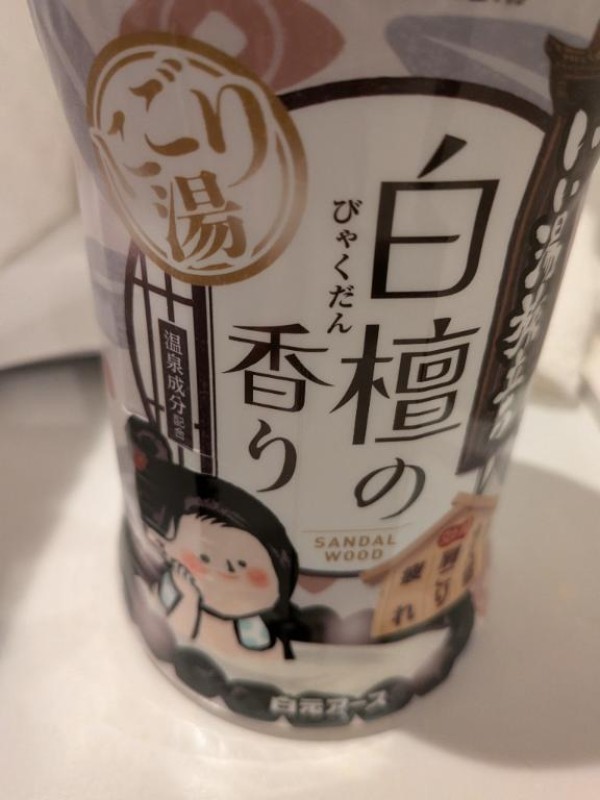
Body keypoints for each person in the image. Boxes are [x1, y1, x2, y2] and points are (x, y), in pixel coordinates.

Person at [127, 417, 299, 660]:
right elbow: (176, 640)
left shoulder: (256, 632)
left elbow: (274, 658)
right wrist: (187, 599)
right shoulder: (173, 590)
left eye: (241, 565)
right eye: (204, 558)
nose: (226, 574)